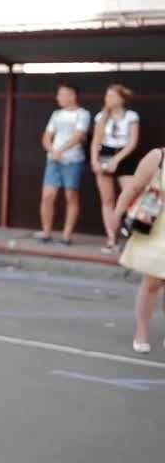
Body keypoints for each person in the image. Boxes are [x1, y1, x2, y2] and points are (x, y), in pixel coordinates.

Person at [112, 147, 165, 354]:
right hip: (157, 228)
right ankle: (141, 331)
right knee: (152, 281)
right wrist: (116, 215)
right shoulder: (158, 156)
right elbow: (134, 188)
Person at [35, 82, 90, 245]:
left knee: (70, 196)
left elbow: (79, 135)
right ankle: (46, 232)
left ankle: (67, 235)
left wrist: (62, 150)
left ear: (72, 95)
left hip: (73, 160)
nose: (58, 98)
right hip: (53, 160)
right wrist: (52, 150)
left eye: (62, 94)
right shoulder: (56, 114)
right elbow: (46, 136)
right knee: (47, 195)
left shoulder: (82, 114)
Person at [91, 84, 141, 253]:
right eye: (107, 96)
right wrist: (95, 161)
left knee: (130, 196)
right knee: (107, 200)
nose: (108, 99)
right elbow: (96, 141)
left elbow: (133, 142)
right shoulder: (101, 117)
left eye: (112, 96)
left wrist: (117, 160)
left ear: (121, 98)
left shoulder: (131, 116)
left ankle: (132, 236)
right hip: (105, 153)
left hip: (124, 155)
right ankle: (111, 238)